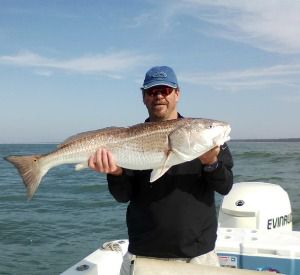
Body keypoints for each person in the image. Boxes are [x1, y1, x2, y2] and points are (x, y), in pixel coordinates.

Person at [88, 66, 233, 274]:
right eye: (152, 91)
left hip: (197, 256)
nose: (159, 96)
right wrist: (115, 173)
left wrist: (211, 163)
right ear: (144, 97)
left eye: (165, 90)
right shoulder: (129, 138)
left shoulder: (210, 144)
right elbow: (123, 196)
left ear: (177, 94)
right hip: (145, 253)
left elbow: (225, 186)